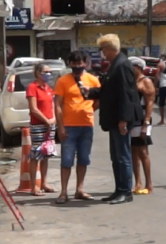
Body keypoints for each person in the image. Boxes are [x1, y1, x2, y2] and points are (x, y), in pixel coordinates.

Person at [86, 34, 143, 205]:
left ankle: (125, 191)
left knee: (123, 156)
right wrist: (91, 92)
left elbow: (126, 94)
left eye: (102, 49)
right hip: (113, 119)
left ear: (109, 48)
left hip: (120, 119)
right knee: (116, 156)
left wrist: (124, 119)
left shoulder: (122, 64)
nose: (102, 53)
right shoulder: (114, 65)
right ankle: (119, 189)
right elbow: (109, 91)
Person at [53, 51, 100, 204]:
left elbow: (99, 99)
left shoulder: (92, 80)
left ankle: (79, 189)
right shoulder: (62, 81)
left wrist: (89, 110)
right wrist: (60, 127)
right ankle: (64, 192)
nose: (77, 66)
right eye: (74, 63)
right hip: (68, 127)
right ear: (69, 64)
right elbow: (58, 105)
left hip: (86, 126)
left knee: (84, 159)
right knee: (66, 161)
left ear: (86, 63)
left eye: (80, 63)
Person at [25, 63, 57, 196]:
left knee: (46, 154)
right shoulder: (32, 87)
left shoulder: (48, 88)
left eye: (49, 71)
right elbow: (34, 109)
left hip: (50, 125)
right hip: (38, 125)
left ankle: (44, 182)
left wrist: (53, 119)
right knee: (36, 155)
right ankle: (34, 186)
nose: (48, 74)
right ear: (38, 73)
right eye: (45, 71)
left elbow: (52, 106)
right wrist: (46, 120)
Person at [129, 57, 156, 194]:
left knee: (143, 151)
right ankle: (137, 182)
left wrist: (146, 123)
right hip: (132, 119)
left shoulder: (146, 81)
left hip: (142, 119)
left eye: (131, 67)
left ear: (137, 67)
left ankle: (149, 183)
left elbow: (150, 103)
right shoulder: (132, 81)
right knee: (133, 151)